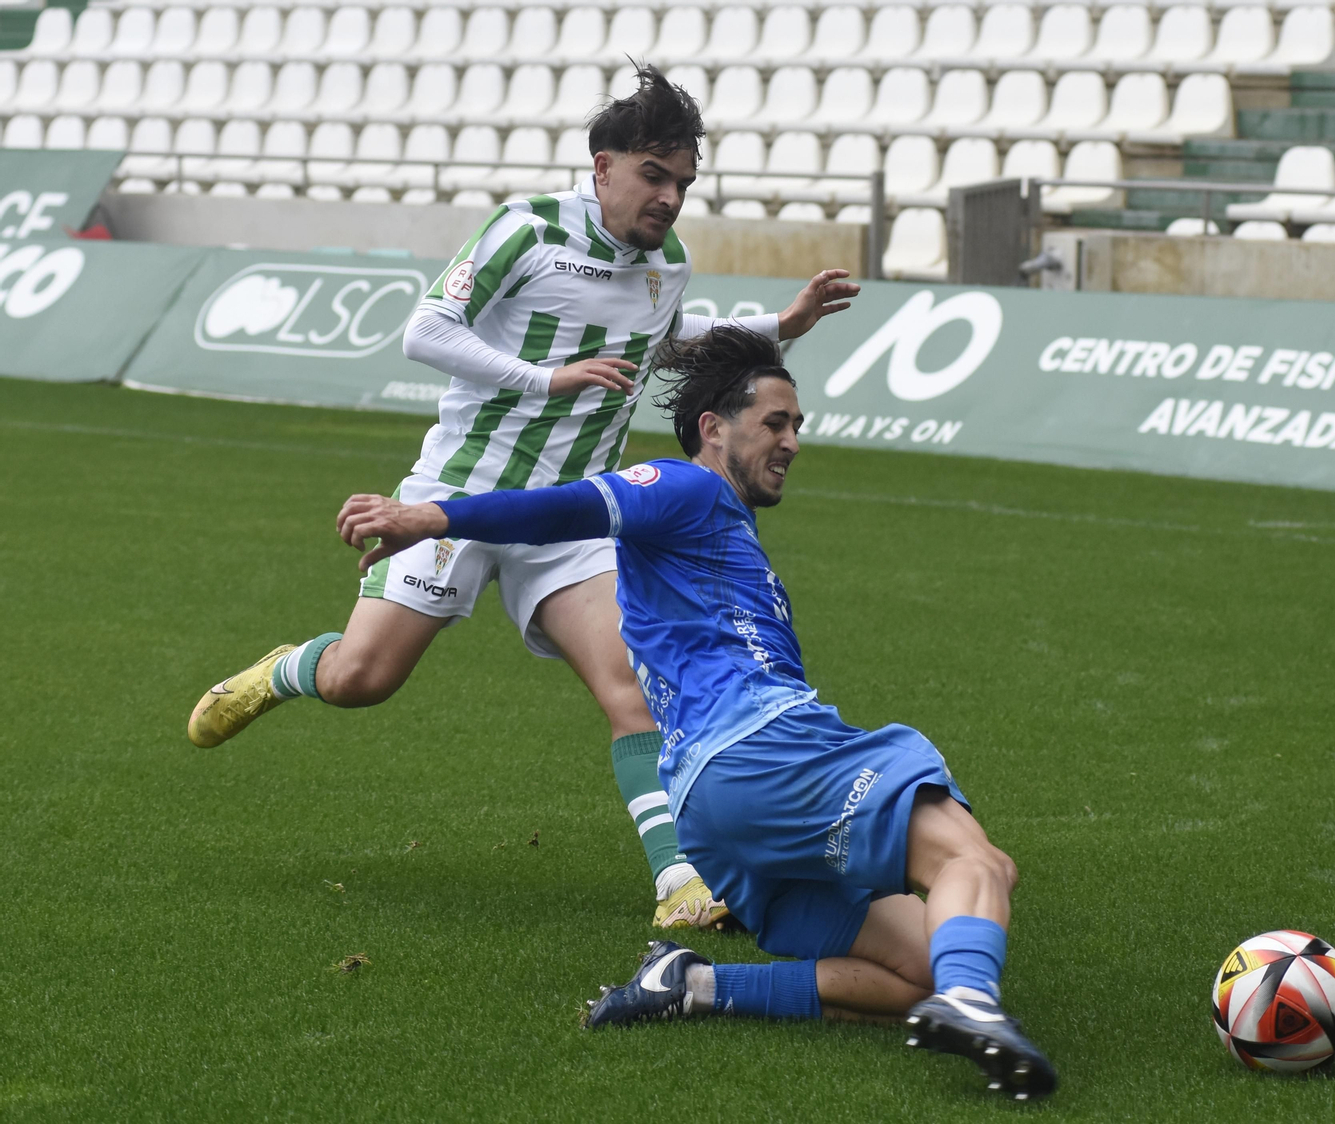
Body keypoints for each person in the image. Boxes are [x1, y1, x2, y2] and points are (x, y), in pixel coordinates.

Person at [183, 64, 860, 930]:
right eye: (654, 176)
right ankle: (282, 670)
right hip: (458, 495)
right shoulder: (527, 227)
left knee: (632, 688)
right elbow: (425, 329)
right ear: (602, 165)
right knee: (363, 679)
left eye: (683, 184)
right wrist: (545, 379)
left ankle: (679, 884)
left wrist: (780, 326)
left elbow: (663, 340)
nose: (669, 199)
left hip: (572, 518)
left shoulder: (669, 264)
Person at [331, 327, 1057, 1100]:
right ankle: (975, 1003)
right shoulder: (687, 488)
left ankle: (696, 984)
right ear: (714, 428)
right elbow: (570, 505)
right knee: (978, 866)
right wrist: (432, 516)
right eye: (775, 423)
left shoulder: (711, 530)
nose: (792, 442)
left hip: (715, 809)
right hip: (766, 749)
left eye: (797, 426)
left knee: (924, 971)